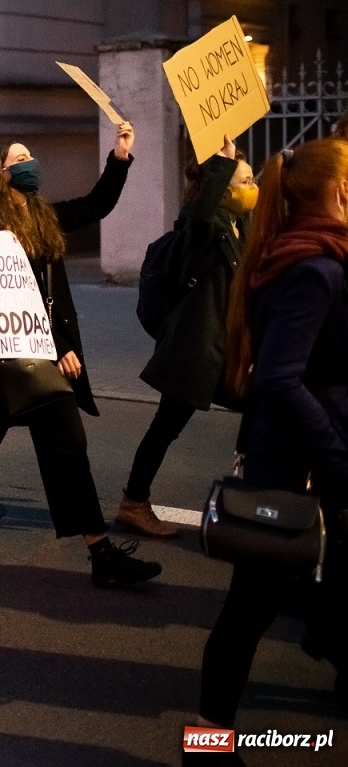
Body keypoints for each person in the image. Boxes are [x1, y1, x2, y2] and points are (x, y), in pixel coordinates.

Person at [0, 126, 163, 588]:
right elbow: (4, 303)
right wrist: (60, 346)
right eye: (20, 158)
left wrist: (120, 158)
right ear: (0, 174)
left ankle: (101, 554)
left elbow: (96, 205)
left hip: (43, 362)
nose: (31, 163)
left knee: (68, 449)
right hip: (4, 365)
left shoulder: (44, 217)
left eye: (31, 155)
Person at [191, 138, 348, 747]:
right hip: (298, 463)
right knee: (249, 609)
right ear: (338, 193)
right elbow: (280, 378)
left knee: (259, 604)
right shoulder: (314, 268)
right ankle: (207, 743)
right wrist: (336, 450)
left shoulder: (315, 257)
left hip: (300, 455)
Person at [120, 139, 254, 538]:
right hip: (196, 351)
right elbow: (198, 216)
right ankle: (133, 503)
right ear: (224, 188)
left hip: (227, 350)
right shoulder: (203, 230)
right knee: (166, 426)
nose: (253, 186)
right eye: (245, 180)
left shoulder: (239, 226)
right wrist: (222, 167)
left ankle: (252, 497)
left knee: (262, 413)